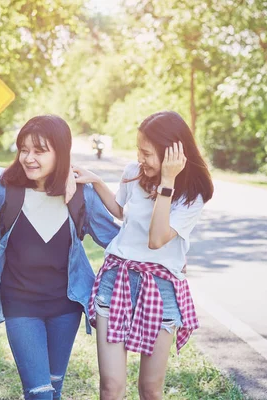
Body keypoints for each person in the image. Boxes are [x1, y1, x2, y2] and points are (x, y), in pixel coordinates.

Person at [73, 111, 214, 400]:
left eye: (148, 153)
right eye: (139, 151)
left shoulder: (192, 195)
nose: (141, 159)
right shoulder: (132, 173)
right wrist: (97, 181)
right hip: (117, 280)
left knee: (150, 390)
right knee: (111, 387)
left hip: (160, 289)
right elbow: (122, 211)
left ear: (173, 154)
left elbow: (157, 238)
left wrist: (167, 182)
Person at [0, 114, 120, 400]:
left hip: (65, 306)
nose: (28, 158)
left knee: (54, 390)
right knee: (39, 394)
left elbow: (117, 242)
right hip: (20, 304)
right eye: (24, 150)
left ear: (61, 153)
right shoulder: (5, 191)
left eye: (39, 151)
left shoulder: (81, 195)